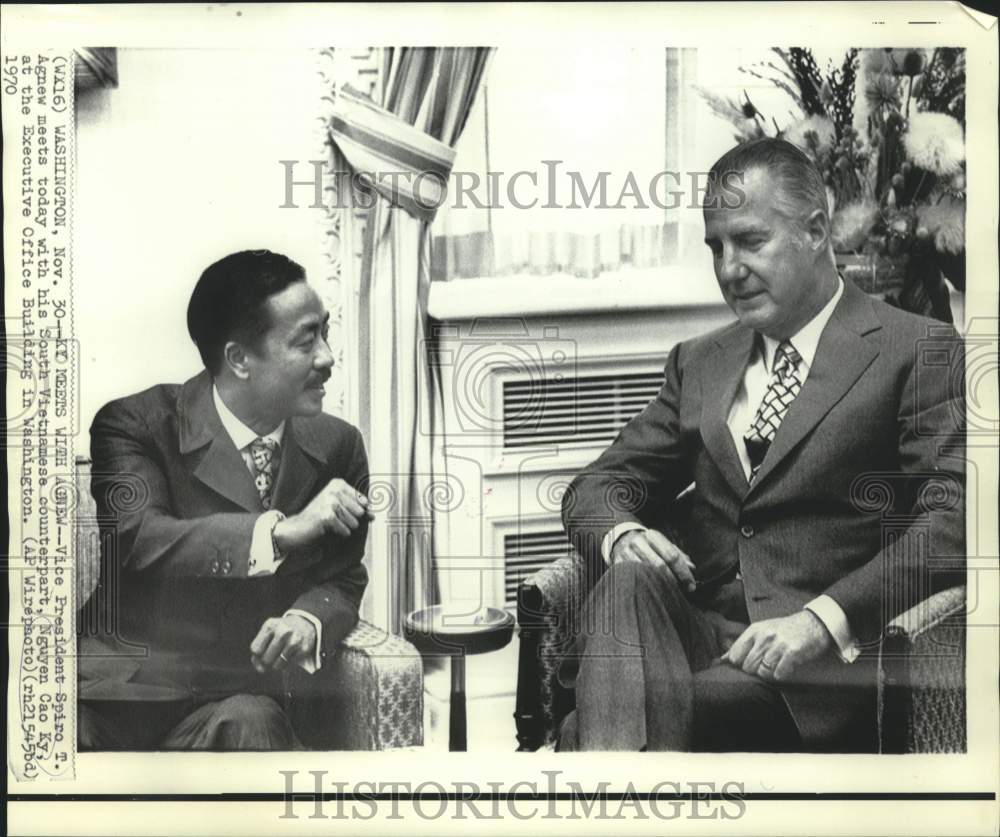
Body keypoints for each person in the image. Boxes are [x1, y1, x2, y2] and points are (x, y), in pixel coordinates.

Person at [559, 138, 965, 753]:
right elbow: (596, 487)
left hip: (814, 667)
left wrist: (822, 620)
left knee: (588, 727)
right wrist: (623, 535)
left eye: (750, 241)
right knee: (627, 580)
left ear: (815, 231)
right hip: (700, 635)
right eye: (716, 247)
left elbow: (953, 522)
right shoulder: (699, 362)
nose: (729, 269)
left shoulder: (916, 350)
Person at [78, 249, 374, 750]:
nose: (327, 357)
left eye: (326, 333)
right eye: (307, 341)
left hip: (237, 700)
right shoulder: (135, 424)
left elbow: (343, 573)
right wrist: (279, 533)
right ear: (239, 360)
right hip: (120, 698)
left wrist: (307, 619)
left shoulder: (338, 445)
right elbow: (139, 539)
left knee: (255, 725)